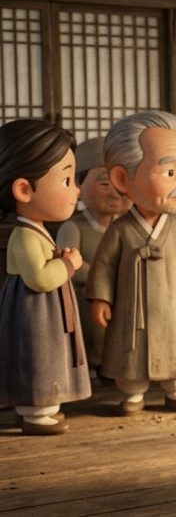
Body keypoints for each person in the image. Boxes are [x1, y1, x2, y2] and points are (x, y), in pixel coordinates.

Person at [88, 110, 176, 416]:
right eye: (170, 173)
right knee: (131, 355)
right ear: (122, 178)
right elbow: (104, 265)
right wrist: (101, 297)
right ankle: (134, 395)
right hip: (131, 310)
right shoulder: (121, 229)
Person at [0, 119, 90, 435]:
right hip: (33, 311)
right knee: (37, 356)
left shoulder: (35, 231)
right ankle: (35, 412)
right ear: (24, 189)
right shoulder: (24, 236)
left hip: (44, 309)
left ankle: (40, 409)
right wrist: (69, 265)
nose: (76, 190)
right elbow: (38, 279)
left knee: (46, 355)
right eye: (67, 181)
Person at [56, 136, 132, 381]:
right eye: (103, 184)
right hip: (86, 296)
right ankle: (90, 367)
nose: (114, 192)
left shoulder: (125, 226)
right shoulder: (74, 227)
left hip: (121, 294)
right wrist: (103, 280)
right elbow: (68, 264)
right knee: (92, 334)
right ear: (79, 187)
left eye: (120, 183)